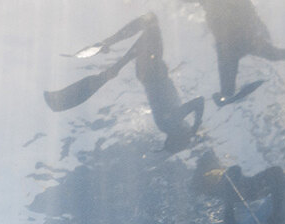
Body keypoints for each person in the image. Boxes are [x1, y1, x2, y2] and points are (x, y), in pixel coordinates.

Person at [46, 13, 205, 152]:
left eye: (186, 139)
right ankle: (113, 67)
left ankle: (110, 51)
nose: (188, 134)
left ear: (180, 137)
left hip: (152, 74)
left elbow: (199, 102)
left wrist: (195, 126)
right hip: (150, 74)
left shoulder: (171, 124)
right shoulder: (166, 126)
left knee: (151, 24)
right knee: (149, 30)